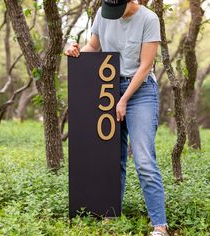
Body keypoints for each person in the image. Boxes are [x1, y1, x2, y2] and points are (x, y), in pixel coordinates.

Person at [65, 0, 169, 235]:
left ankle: (159, 225)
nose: (113, 15)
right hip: (108, 87)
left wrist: (123, 100)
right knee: (112, 158)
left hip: (140, 92)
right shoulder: (104, 13)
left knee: (143, 160)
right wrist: (76, 50)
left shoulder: (149, 19)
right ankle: (111, 214)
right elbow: (94, 45)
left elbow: (145, 66)